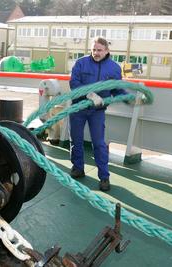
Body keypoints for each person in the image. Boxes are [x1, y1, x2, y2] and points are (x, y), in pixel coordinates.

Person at [69, 37, 127, 192]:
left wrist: (130, 98)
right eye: (94, 50)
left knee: (99, 143)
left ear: (107, 51)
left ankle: (104, 177)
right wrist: (90, 95)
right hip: (78, 108)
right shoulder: (81, 63)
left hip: (97, 112)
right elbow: (74, 83)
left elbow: (117, 89)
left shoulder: (114, 68)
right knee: (76, 140)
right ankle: (78, 168)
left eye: (99, 50)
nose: (96, 53)